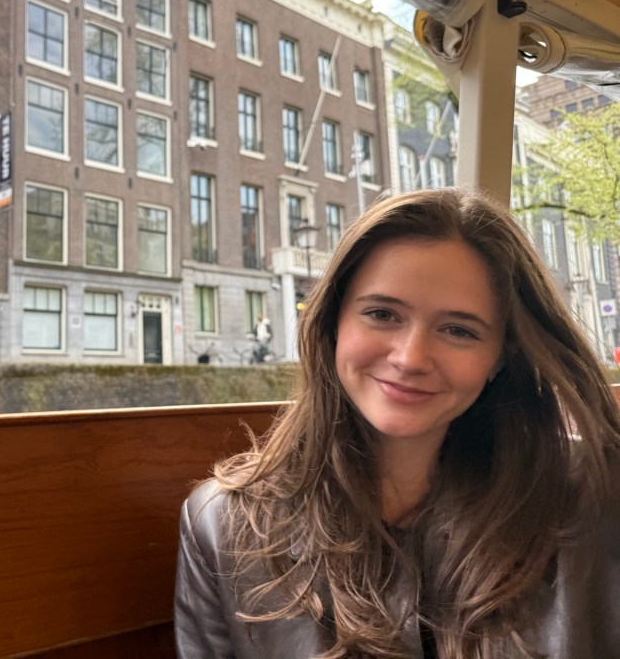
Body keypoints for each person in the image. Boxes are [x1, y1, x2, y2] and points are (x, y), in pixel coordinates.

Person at [175, 187, 620, 658]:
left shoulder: (596, 492)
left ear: (499, 356)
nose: (410, 358)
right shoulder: (222, 527)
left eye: (458, 330)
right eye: (382, 314)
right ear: (333, 324)